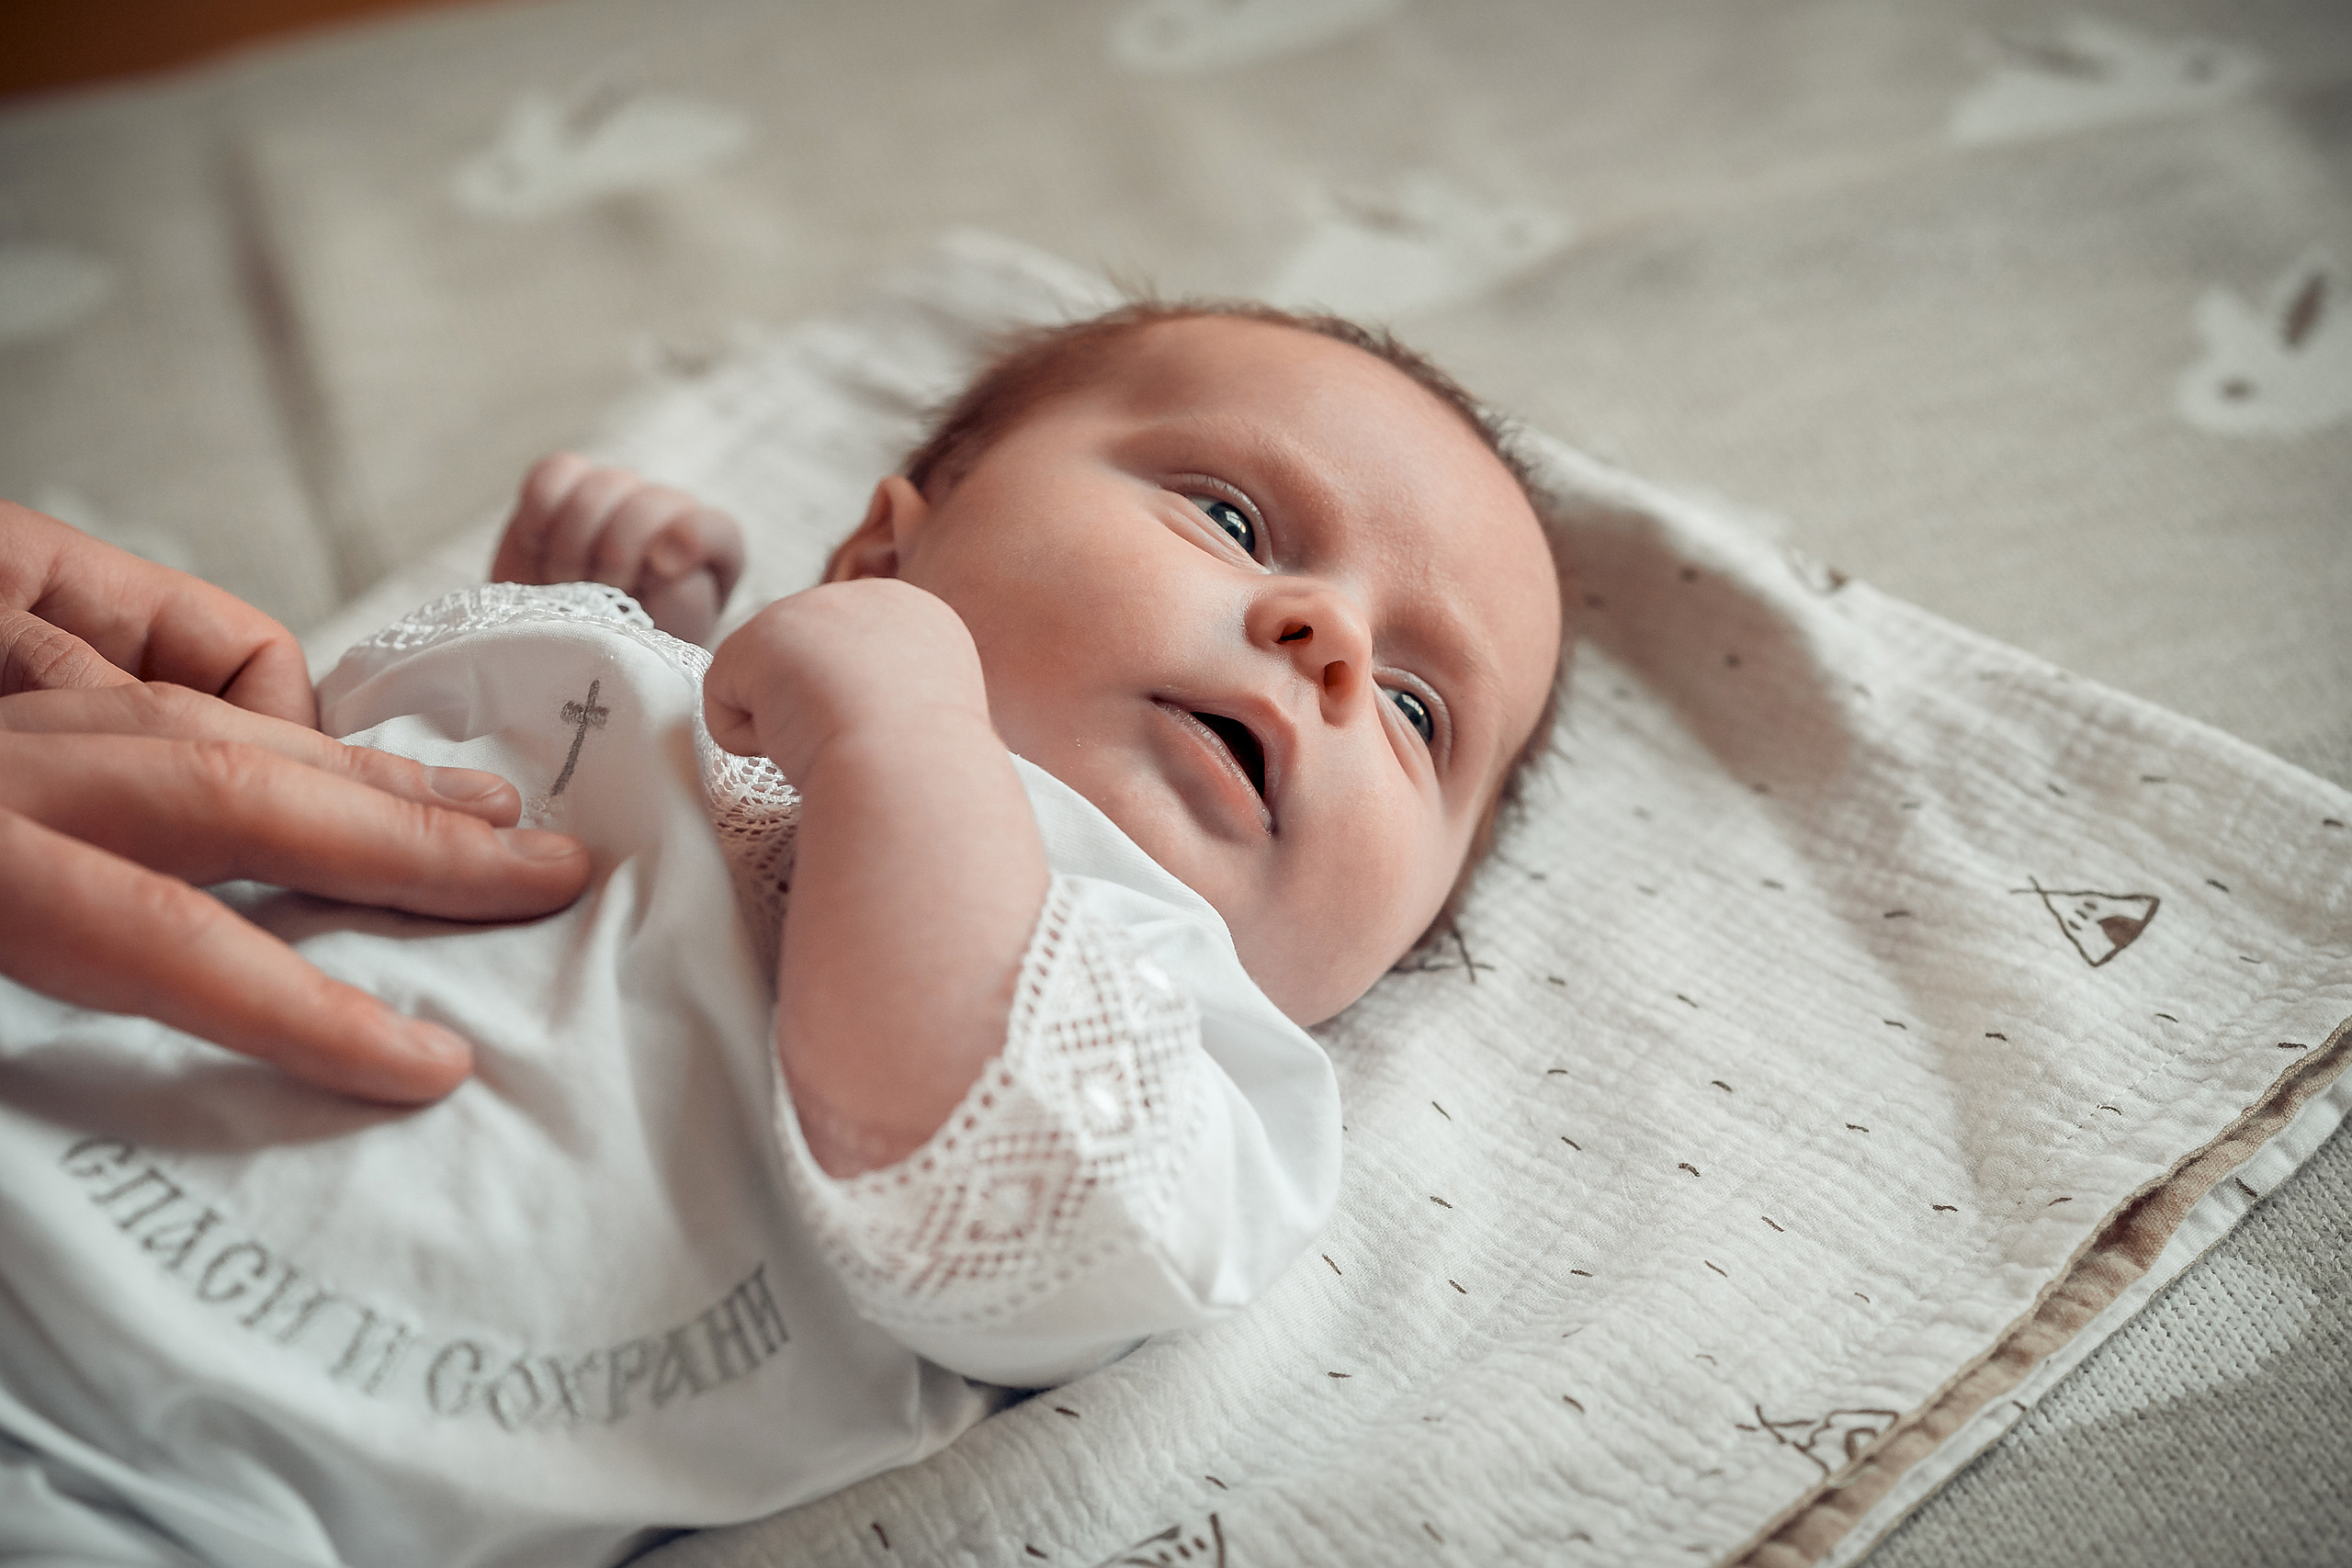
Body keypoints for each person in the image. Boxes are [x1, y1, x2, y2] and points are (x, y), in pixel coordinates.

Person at [0, 302, 1566, 1566]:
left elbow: (991, 1175)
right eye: (1231, 515)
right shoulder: (714, 710)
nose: (1330, 637)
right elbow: (315, 793)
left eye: (1422, 713)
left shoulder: (1186, 1054)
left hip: (165, 1500)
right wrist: (573, 640)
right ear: (886, 558)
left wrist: (905, 727)